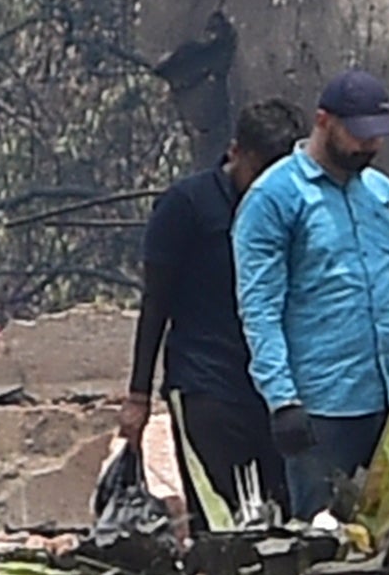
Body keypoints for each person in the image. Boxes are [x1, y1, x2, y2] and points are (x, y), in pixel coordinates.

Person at [234, 69, 389, 532]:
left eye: (377, 137)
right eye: (359, 135)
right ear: (324, 121)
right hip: (324, 399)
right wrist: (282, 399)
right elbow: (260, 307)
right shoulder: (275, 198)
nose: (369, 146)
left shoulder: (379, 192)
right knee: (319, 527)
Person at [121, 98, 309, 524]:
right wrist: (138, 395)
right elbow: (156, 302)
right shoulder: (187, 205)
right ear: (235, 152)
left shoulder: (295, 207)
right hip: (206, 384)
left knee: (285, 516)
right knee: (220, 519)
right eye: (258, 172)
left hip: (275, 389)